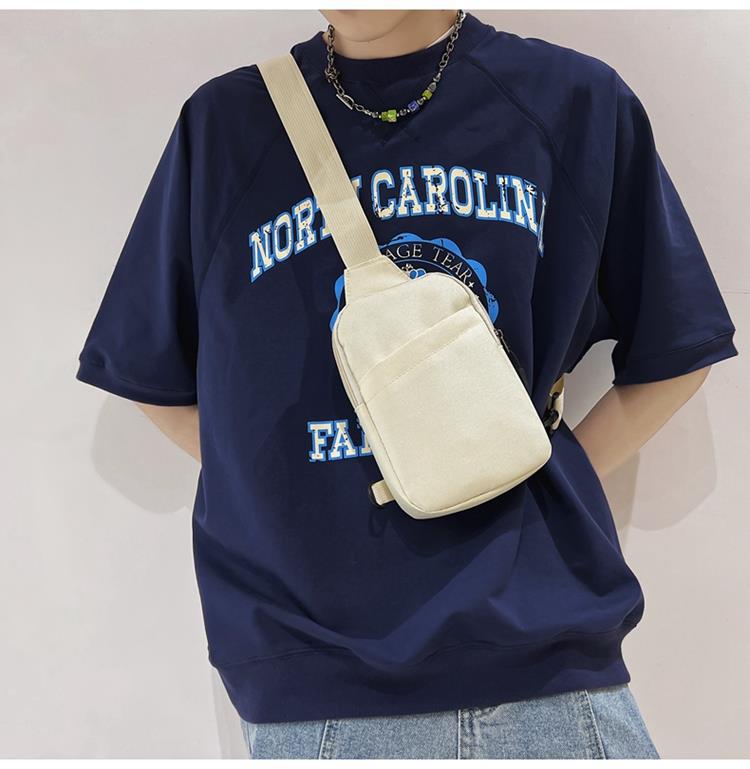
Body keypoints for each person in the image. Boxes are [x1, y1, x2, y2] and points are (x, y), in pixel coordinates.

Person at [75, 8, 738, 760]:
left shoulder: (572, 102)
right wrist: (275, 487)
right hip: (320, 681)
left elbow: (676, 345)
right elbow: (148, 368)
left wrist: (548, 471)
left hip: (545, 661)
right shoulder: (225, 127)